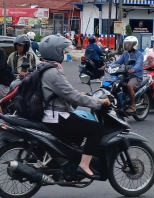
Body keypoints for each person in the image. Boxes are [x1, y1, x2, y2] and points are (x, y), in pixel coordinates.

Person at [37, 35, 110, 179]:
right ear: (55, 52)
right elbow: (72, 96)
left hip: (48, 113)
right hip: (57, 115)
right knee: (96, 129)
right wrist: (99, 102)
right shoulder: (54, 72)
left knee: (78, 128)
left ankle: (69, 162)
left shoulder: (42, 67)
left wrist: (79, 95)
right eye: (62, 50)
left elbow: (63, 92)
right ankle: (84, 166)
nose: (64, 53)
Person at [114, 35, 145, 113]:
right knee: (115, 82)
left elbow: (138, 64)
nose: (127, 46)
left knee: (129, 85)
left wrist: (133, 69)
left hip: (136, 76)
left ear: (134, 45)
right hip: (126, 75)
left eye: (129, 44)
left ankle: (132, 105)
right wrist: (107, 66)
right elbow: (117, 62)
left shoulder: (139, 55)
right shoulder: (125, 54)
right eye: (126, 44)